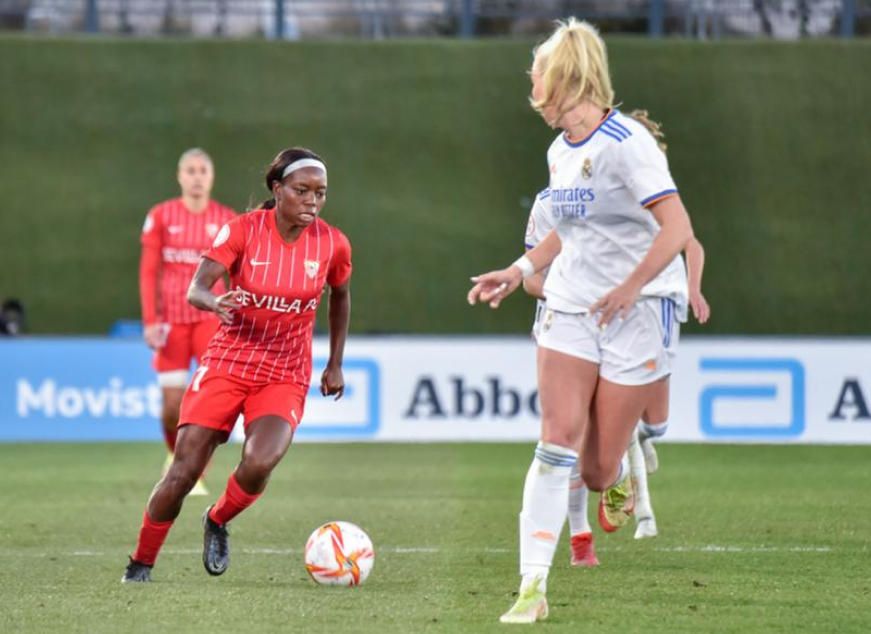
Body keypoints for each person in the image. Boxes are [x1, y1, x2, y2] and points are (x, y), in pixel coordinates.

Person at [468, 19, 696, 623]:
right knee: (555, 443)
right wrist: (517, 270)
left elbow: (678, 230)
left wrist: (630, 287)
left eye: (537, 70)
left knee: (596, 471)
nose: (531, 81)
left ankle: (617, 466)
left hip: (633, 316)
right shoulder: (556, 150)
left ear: (566, 75)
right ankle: (531, 587)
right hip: (568, 309)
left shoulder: (627, 143)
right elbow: (563, 237)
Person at [123, 147, 352, 583]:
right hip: (229, 361)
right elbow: (196, 289)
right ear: (277, 188)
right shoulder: (242, 230)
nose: (312, 202)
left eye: (320, 194)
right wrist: (214, 301)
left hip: (285, 370)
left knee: (260, 461)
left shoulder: (332, 243)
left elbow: (340, 295)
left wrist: (334, 362)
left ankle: (218, 518)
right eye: (302, 191)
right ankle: (140, 563)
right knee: (184, 471)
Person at [139, 148, 237, 495]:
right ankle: (176, 457)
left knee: (210, 404)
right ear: (180, 176)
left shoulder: (227, 220)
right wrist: (150, 320)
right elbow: (149, 271)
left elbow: (239, 270)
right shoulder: (161, 216)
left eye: (203, 171)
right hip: (172, 324)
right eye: (190, 171)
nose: (197, 177)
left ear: (211, 177)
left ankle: (195, 469)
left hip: (212, 323)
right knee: (170, 407)